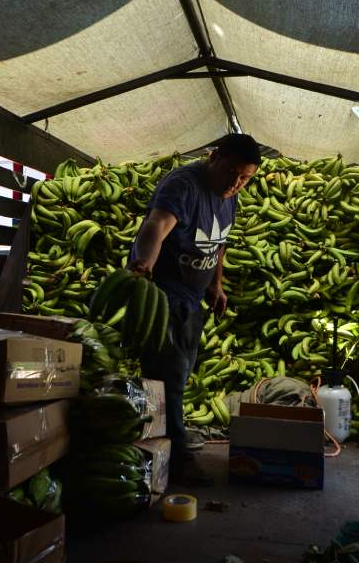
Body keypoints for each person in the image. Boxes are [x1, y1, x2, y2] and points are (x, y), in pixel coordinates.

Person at [127, 133, 261, 486]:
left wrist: (215, 284)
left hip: (192, 296)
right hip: (163, 293)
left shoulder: (228, 197)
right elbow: (156, 225)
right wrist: (144, 264)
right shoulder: (184, 185)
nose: (236, 183)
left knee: (179, 373)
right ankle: (178, 457)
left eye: (245, 178)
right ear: (213, 156)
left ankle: (165, 440)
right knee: (168, 373)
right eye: (232, 172)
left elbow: (219, 244)